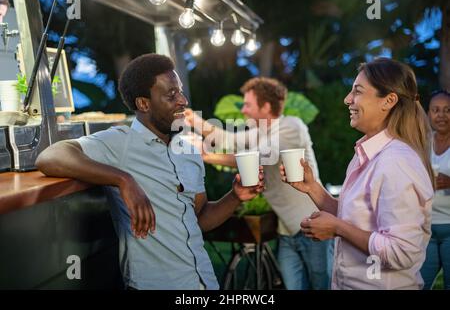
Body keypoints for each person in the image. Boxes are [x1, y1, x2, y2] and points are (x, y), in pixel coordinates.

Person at [36, 53, 264, 290]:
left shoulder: (189, 151)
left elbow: (199, 219)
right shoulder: (120, 143)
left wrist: (235, 196)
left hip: (203, 281)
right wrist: (123, 180)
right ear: (143, 104)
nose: (183, 101)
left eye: (181, 91)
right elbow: (50, 156)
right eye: (171, 94)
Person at [280, 57, 435, 289]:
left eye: (358, 91)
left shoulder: (396, 162)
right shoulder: (366, 154)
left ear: (389, 100)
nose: (347, 99)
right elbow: (354, 218)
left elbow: (402, 252)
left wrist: (337, 228)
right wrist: (313, 188)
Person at [185, 77, 333, 290]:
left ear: (265, 107)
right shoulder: (260, 133)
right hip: (287, 231)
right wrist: (194, 120)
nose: (243, 110)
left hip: (314, 224)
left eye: (248, 105)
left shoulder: (292, 126)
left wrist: (208, 157)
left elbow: (257, 157)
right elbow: (226, 138)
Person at [421, 90, 450, 289]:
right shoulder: (422, 143)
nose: (441, 115)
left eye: (448, 110)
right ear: (428, 113)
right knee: (419, 284)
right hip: (426, 230)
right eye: (436, 110)